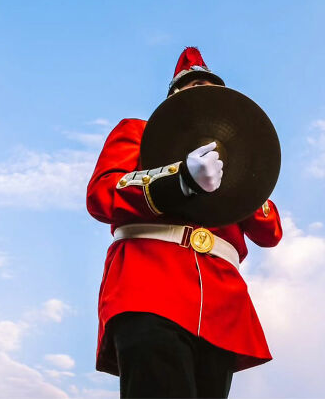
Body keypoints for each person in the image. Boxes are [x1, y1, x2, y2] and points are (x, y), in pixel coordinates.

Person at [86, 47, 283, 398]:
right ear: (174, 97)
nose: (201, 89)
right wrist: (179, 180)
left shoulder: (237, 154)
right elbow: (103, 194)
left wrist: (244, 166)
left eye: (209, 86)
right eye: (192, 86)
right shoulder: (138, 132)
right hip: (150, 285)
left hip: (223, 306)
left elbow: (269, 233)